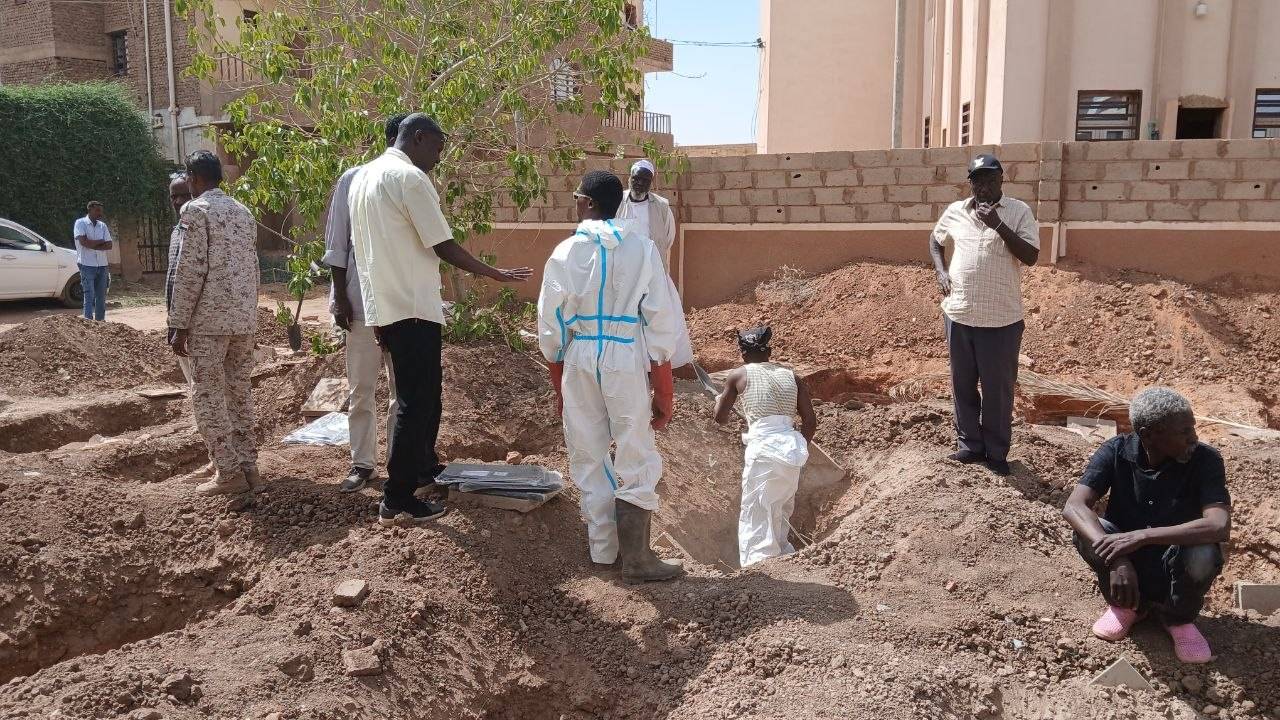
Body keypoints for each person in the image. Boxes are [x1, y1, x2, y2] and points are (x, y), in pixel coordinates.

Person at [348, 113, 532, 526]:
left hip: (389, 308)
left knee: (426, 398)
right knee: (416, 403)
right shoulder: (410, 178)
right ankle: (397, 499)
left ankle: (422, 469)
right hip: (413, 308)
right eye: (436, 148)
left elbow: (365, 254)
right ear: (418, 138)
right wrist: (495, 273)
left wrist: (375, 315)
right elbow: (443, 245)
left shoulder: (362, 179)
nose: (437, 158)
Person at [537, 169, 686, 583]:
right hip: (624, 354)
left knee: (588, 453)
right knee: (635, 450)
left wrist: (560, 387)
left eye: (577, 198)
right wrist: (664, 390)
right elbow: (660, 322)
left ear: (587, 203)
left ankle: (604, 553)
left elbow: (551, 327)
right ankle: (637, 558)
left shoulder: (565, 252)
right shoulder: (642, 249)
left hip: (580, 355)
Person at [1063, 387, 1230, 664]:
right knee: (1089, 531)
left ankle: (1177, 619)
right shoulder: (1116, 451)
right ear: (1149, 434)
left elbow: (1218, 524)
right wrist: (1117, 559)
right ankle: (1128, 607)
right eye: (1184, 431)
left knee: (1203, 551)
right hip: (1127, 564)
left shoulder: (1206, 460)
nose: (1194, 437)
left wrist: (1143, 536)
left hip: (1175, 563)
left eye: (1193, 428)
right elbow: (1074, 506)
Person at [929, 153, 1040, 476]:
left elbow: (1031, 256)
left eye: (990, 180)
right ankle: (969, 445)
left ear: (1001, 180)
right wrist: (940, 271)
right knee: (962, 384)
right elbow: (935, 240)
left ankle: (996, 452)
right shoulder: (956, 211)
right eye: (977, 181)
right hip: (959, 314)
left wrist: (998, 225)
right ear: (971, 184)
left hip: (1001, 320)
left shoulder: (1019, 212)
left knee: (997, 391)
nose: (984, 187)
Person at [167, 150, 263, 496]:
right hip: (242, 321)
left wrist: (178, 323)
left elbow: (190, 270)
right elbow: (253, 268)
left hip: (208, 323)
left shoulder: (195, 211)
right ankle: (249, 468)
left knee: (208, 397)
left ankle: (228, 473)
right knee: (239, 394)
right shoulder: (243, 212)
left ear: (193, 177)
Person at [322, 112, 408, 493]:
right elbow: (337, 244)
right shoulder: (354, 180)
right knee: (361, 389)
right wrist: (340, 298)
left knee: (401, 392)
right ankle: (362, 463)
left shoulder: (412, 183)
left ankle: (398, 464)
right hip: (359, 304)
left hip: (402, 307)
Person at [713, 326, 817, 567]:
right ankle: (782, 560)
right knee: (780, 507)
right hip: (791, 450)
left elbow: (720, 418)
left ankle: (759, 567)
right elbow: (810, 421)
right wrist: (800, 447)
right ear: (769, 352)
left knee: (757, 509)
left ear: (742, 353)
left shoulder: (738, 375)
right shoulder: (792, 376)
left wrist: (719, 401)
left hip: (762, 450)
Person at [617, 159, 676, 272]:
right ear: (630, 178)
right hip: (623, 268)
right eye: (636, 178)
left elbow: (668, 238)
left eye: (645, 180)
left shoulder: (661, 206)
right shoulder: (616, 202)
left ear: (651, 183)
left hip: (652, 267)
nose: (640, 183)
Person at [165, 175, 195, 384]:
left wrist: (182, 328)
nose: (178, 201)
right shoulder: (177, 232)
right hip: (178, 323)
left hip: (197, 325)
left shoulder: (200, 230)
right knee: (194, 385)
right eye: (174, 197)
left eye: (185, 195)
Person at [73, 201, 113, 321]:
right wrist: (101, 241)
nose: (100, 213)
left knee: (101, 296)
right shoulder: (80, 223)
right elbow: (84, 242)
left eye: (101, 211)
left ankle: (100, 322)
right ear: (90, 210)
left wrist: (92, 244)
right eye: (97, 210)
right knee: (89, 295)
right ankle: (88, 322)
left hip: (102, 265)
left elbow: (109, 245)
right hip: (86, 264)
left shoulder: (102, 226)